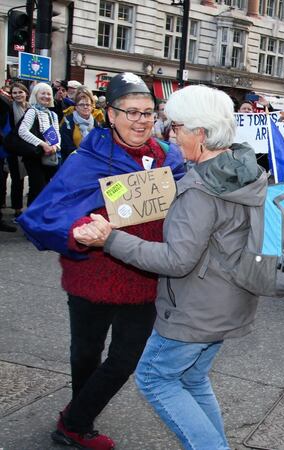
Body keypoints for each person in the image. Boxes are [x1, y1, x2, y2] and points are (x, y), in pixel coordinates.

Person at [73, 84, 266, 449]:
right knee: (192, 380)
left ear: (201, 134)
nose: (170, 134)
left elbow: (176, 261)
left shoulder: (200, 189)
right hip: (230, 301)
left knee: (154, 378)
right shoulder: (244, 169)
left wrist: (109, 239)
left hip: (194, 310)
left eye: (176, 127)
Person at [15, 72, 185, 450]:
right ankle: (80, 423)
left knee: (125, 359)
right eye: (131, 112)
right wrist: (79, 230)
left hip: (144, 274)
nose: (141, 120)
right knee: (86, 354)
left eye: (148, 112)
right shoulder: (87, 159)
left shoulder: (168, 158)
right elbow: (47, 212)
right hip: (92, 277)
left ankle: (73, 420)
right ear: (111, 114)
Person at [19, 82, 61, 203]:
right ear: (36, 95)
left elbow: (57, 134)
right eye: (43, 93)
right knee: (37, 188)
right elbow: (22, 131)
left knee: (46, 188)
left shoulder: (53, 114)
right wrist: (42, 144)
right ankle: (30, 218)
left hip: (49, 156)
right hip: (35, 156)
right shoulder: (32, 111)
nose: (46, 96)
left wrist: (55, 147)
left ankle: (39, 217)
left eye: (49, 94)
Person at [0, 82, 27, 225]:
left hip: (27, 148)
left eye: (20, 92)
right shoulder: (10, 107)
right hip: (13, 148)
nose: (17, 95)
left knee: (23, 177)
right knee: (16, 178)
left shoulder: (30, 107)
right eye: (14, 93)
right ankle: (17, 208)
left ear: (26, 93)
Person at [59, 87, 101, 161]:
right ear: (76, 107)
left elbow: (99, 143)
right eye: (81, 104)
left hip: (92, 161)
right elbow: (66, 147)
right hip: (72, 162)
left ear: (92, 107)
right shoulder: (68, 121)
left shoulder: (95, 122)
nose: (85, 107)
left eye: (88, 105)